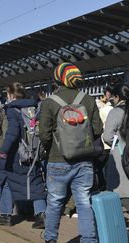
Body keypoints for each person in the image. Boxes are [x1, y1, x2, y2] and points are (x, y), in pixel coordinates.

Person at [39, 63, 102, 243]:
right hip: (84, 160)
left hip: (58, 160)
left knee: (55, 202)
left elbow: (44, 134)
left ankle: (50, 239)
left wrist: (54, 146)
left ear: (58, 79)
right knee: (83, 202)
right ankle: (89, 239)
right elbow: (98, 129)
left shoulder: (49, 102)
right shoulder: (88, 100)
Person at [0, 83, 46, 229]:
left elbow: (12, 132)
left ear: (11, 95)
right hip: (34, 153)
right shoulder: (35, 107)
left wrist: (3, 150)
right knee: (35, 182)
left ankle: (6, 215)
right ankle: (42, 214)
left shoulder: (13, 109)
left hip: (17, 155)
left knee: (8, 182)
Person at [102, 83, 129, 208]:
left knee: (121, 195)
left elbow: (107, 136)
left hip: (121, 156)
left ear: (117, 97)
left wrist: (116, 144)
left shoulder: (116, 112)